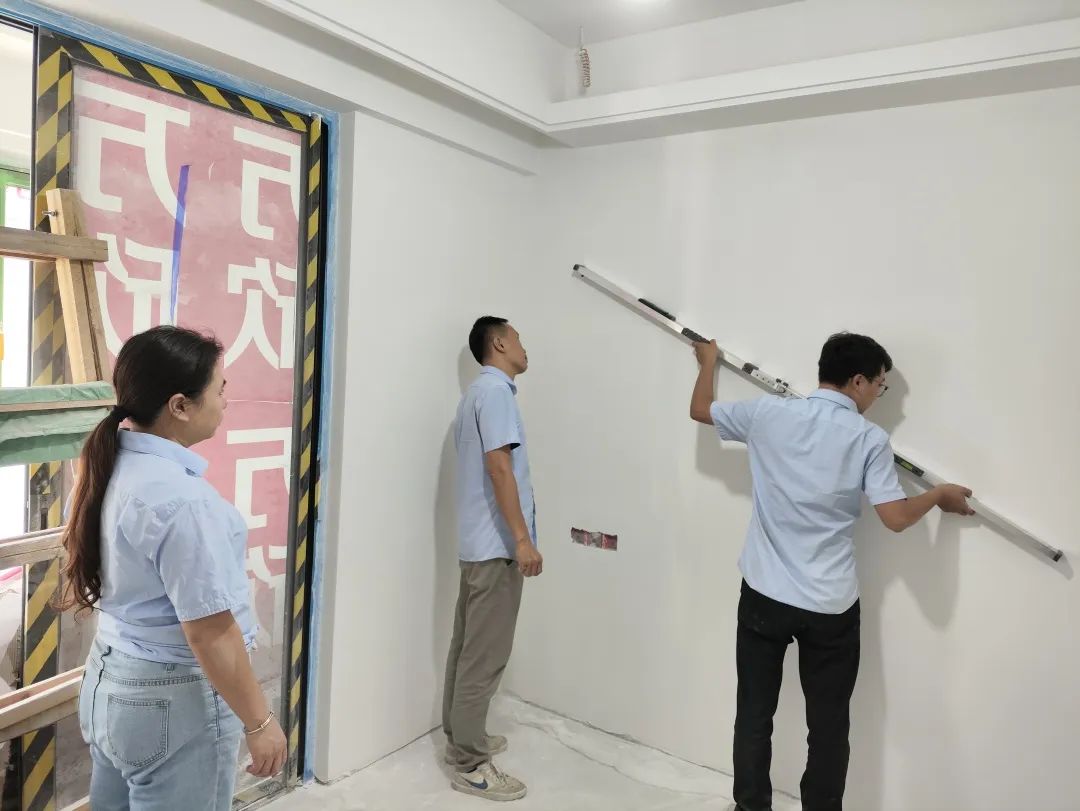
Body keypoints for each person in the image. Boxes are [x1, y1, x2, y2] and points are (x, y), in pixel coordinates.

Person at [689, 332, 974, 811]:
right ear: (858, 381)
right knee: (828, 726)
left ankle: (750, 806)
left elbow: (701, 410)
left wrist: (708, 362)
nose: (880, 396)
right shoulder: (868, 440)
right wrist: (937, 495)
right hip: (829, 606)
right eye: (881, 386)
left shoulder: (768, 413)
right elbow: (895, 518)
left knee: (754, 713)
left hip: (764, 595)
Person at [62, 325, 287, 809]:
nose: (225, 401)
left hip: (109, 682)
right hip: (172, 698)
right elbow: (210, 633)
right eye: (219, 390)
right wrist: (260, 722)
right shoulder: (181, 500)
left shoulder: (108, 467)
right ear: (180, 406)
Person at [442, 316, 543, 802]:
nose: (524, 347)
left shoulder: (475, 395)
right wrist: (522, 540)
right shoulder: (497, 393)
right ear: (499, 343)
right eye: (518, 338)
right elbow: (500, 467)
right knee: (484, 658)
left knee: (467, 650)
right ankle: (470, 763)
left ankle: (460, 738)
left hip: (475, 545)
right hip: (496, 547)